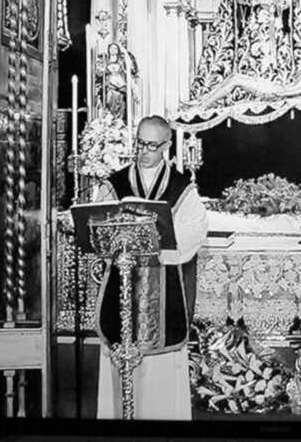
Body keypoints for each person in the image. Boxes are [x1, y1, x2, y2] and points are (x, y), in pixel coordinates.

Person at [95, 115, 208, 420]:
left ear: (167, 146)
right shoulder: (113, 183)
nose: (144, 150)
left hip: (163, 283)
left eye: (152, 145)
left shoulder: (182, 188)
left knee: (161, 371)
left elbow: (196, 229)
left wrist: (158, 241)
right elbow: (98, 227)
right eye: (140, 142)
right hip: (123, 282)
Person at [184, 52, 301, 110]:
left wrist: (284, 95)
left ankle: (202, 105)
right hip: (278, 88)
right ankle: (201, 101)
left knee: (235, 79)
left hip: (277, 92)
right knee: (233, 76)